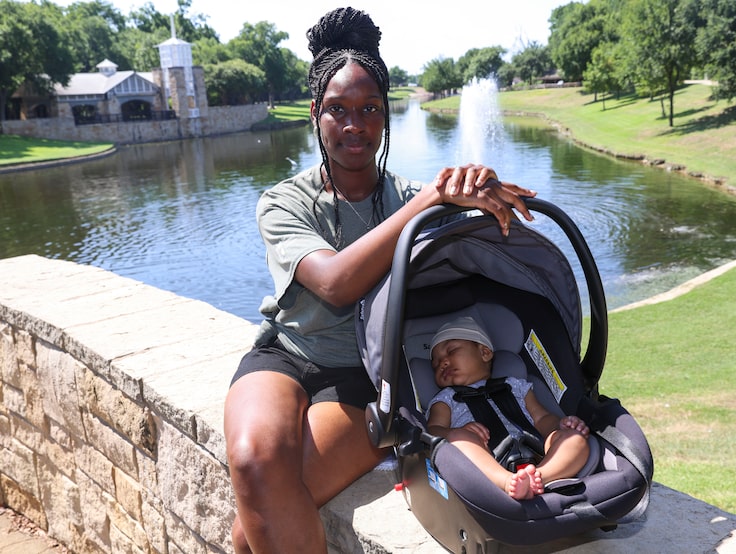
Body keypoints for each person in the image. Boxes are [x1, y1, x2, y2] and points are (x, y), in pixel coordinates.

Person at [223, 7, 537, 553]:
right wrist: (430, 201)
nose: (354, 124)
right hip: (288, 353)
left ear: (385, 117)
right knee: (253, 461)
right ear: (315, 115)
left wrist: (483, 191)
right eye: (338, 110)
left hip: (368, 376)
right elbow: (336, 284)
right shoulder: (283, 201)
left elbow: (477, 245)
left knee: (254, 522)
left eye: (369, 108)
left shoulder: (411, 194)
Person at [426, 317, 590, 500]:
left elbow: (541, 418)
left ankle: (539, 477)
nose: (443, 363)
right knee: (457, 440)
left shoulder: (515, 386)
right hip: (485, 458)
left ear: (485, 353)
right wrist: (454, 432)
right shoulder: (445, 399)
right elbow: (433, 431)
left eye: (452, 350)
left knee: (575, 439)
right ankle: (506, 481)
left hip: (537, 452)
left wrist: (561, 425)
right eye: (435, 363)